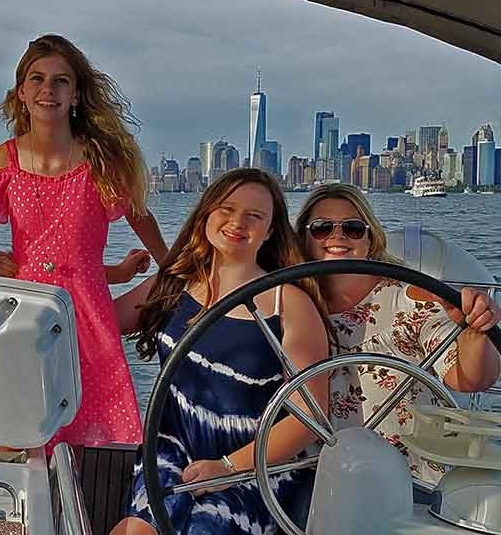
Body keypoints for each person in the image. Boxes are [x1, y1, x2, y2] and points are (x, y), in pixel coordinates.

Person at [0, 33, 168, 449]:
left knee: (97, 441)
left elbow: (136, 219)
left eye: (61, 81)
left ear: (75, 93)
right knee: (24, 436)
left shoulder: (101, 161)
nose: (48, 89)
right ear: (22, 92)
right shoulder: (5, 160)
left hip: (87, 317)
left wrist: (174, 264)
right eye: (37, 79)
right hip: (26, 313)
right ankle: (14, 516)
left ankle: (92, 513)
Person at [109, 168, 329, 535]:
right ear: (206, 214)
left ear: (270, 231)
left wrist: (229, 467)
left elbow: (310, 415)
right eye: (226, 209)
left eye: (254, 216)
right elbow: (92, 325)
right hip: (171, 452)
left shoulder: (287, 304)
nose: (237, 222)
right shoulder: (169, 287)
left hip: (253, 467)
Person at [296, 182, 500, 485]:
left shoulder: (411, 299)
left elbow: (469, 379)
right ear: (303, 239)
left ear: (370, 239)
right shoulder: (289, 308)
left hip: (410, 480)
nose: (337, 236)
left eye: (352, 228)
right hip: (319, 477)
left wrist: (472, 333)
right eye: (322, 227)